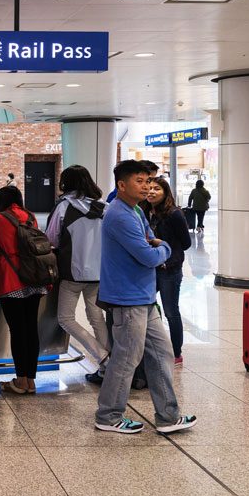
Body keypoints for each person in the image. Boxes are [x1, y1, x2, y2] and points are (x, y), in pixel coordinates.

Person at [95, 160, 196, 434]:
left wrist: (157, 244)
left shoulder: (136, 210)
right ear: (122, 185)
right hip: (127, 300)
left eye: (147, 180)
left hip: (143, 297)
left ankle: (167, 416)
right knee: (126, 359)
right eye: (139, 181)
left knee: (163, 353)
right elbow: (149, 254)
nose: (146, 185)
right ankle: (108, 416)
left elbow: (151, 238)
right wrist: (163, 247)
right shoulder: (120, 215)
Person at [45, 165, 109, 384]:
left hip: (71, 273)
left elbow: (51, 239)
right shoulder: (105, 208)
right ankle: (108, 367)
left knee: (65, 318)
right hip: (100, 273)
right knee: (96, 318)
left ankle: (103, 357)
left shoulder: (63, 207)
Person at [0, 186, 48, 394]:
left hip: (10, 281)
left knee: (18, 330)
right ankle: (30, 380)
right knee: (31, 329)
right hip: (35, 280)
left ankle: (21, 380)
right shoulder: (30, 216)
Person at [142, 177, 191, 366]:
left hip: (169, 269)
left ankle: (176, 352)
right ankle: (154, 347)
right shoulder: (144, 211)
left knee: (171, 311)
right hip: (149, 268)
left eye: (157, 189)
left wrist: (166, 249)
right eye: (149, 188)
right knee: (146, 308)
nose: (152, 192)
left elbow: (186, 243)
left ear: (165, 192)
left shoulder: (174, 214)